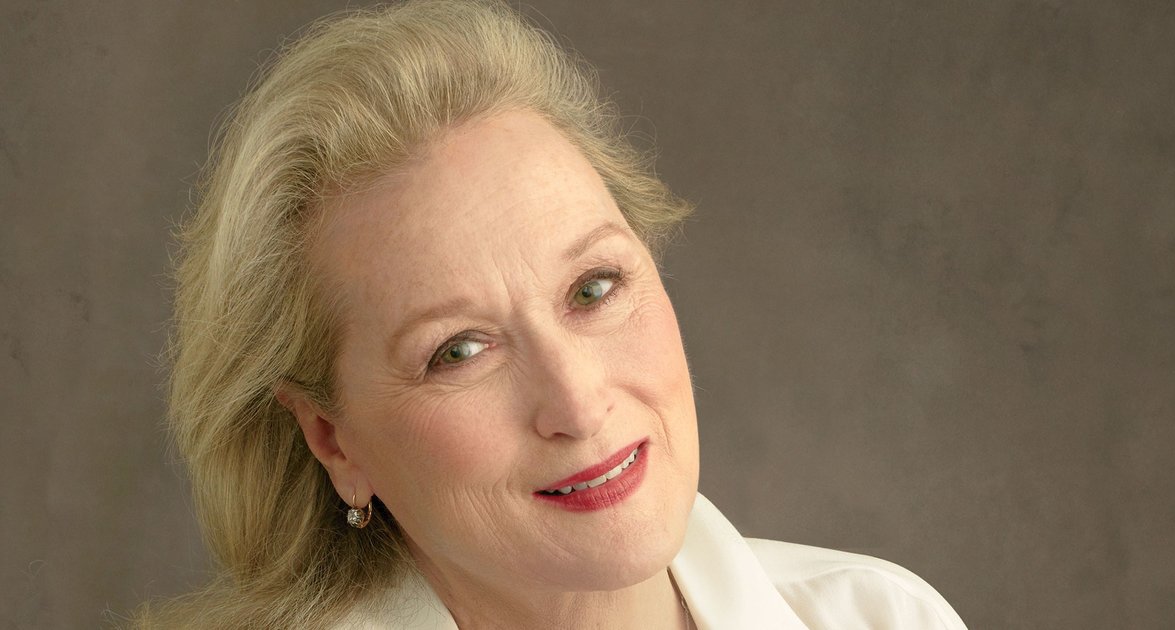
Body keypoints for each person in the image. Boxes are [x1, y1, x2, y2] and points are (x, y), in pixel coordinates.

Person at [139, 1, 968, 628]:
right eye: (459, 351)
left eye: (593, 289)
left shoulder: (883, 618)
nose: (577, 402)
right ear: (332, 440)